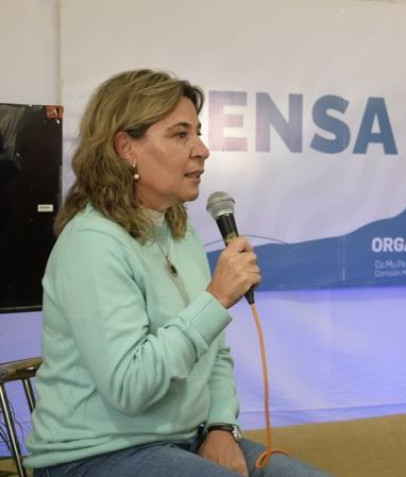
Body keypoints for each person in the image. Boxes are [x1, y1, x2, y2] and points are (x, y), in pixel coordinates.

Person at [25, 69, 331, 477]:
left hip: (188, 438)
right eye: (180, 135)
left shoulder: (180, 232)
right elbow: (130, 387)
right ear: (126, 148)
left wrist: (220, 426)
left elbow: (214, 353)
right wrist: (216, 299)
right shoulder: (92, 242)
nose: (202, 150)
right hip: (95, 456)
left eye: (197, 133)